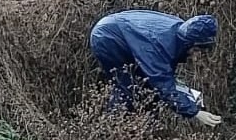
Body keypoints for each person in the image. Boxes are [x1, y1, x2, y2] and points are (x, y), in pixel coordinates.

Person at [89, 9, 223, 127]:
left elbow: (165, 79)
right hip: (107, 38)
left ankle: (139, 130)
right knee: (126, 87)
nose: (198, 55)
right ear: (191, 44)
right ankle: (112, 131)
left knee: (145, 88)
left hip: (119, 31)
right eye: (198, 50)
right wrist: (195, 112)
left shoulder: (180, 32)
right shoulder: (160, 46)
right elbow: (162, 83)